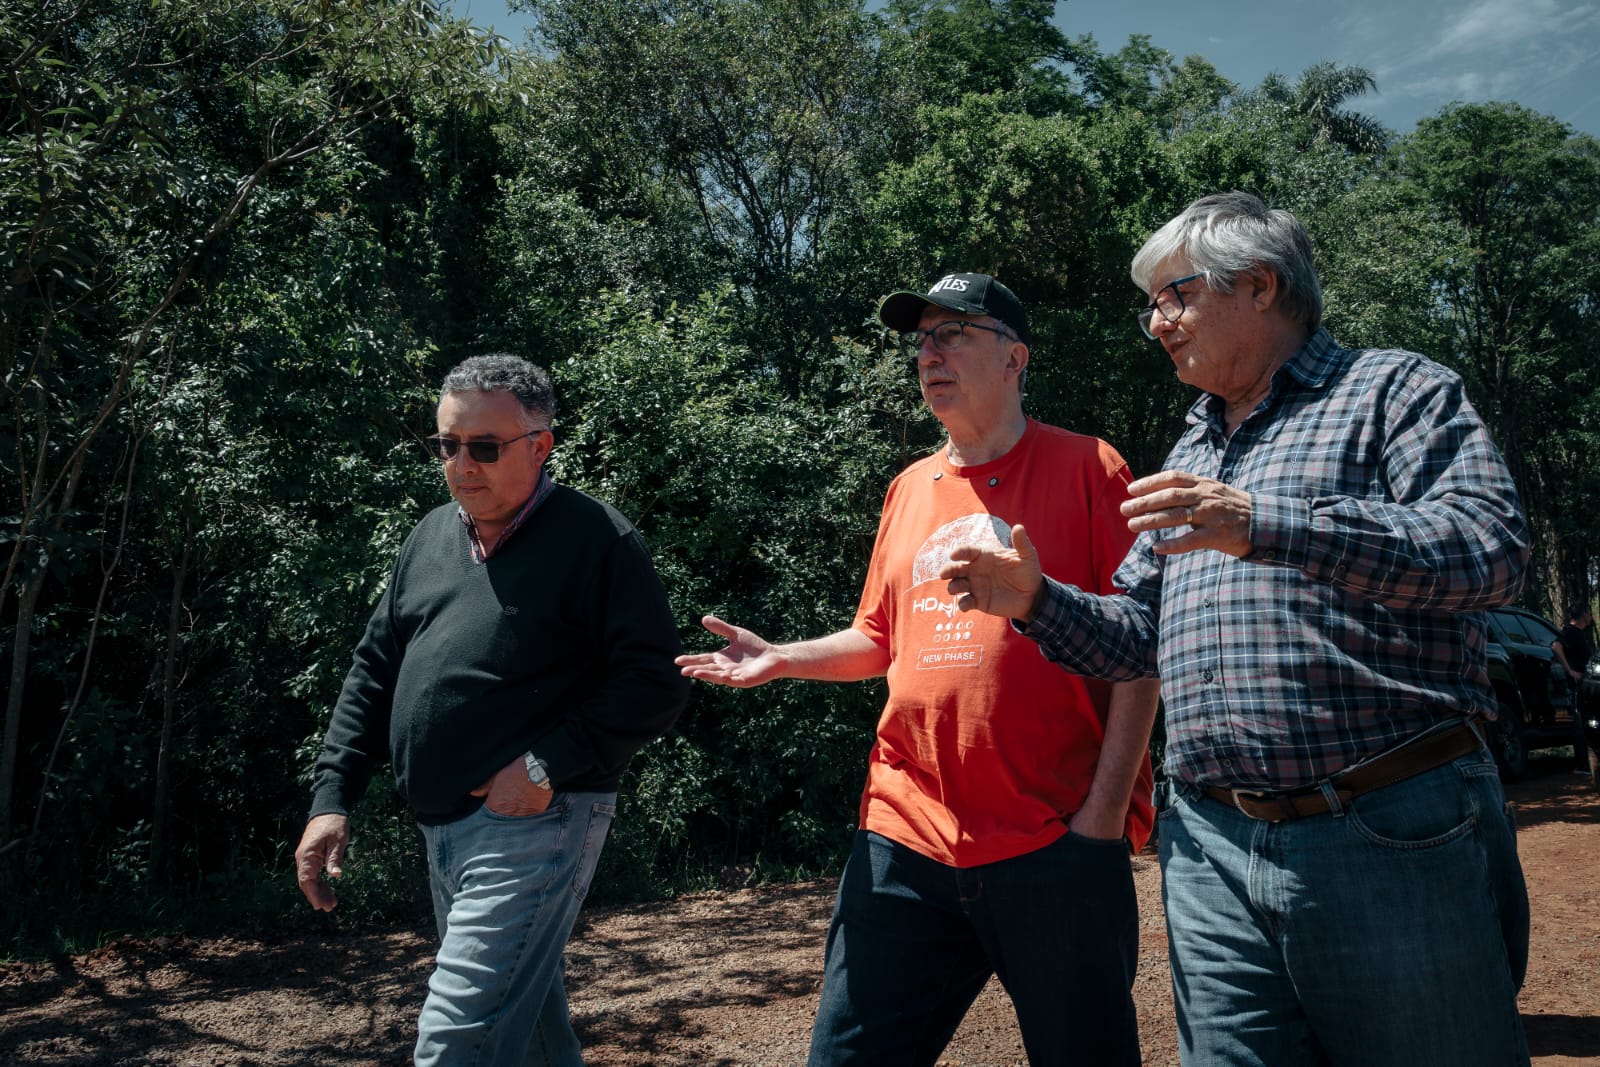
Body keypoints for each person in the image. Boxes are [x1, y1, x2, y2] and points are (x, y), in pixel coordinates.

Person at [939, 193, 1533, 1066]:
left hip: (1380, 830)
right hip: (1210, 846)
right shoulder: (1193, 450)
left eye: (1173, 297)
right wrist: (1038, 600)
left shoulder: (1392, 391)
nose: (1156, 323)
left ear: (1258, 285)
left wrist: (1268, 523)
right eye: (1152, 304)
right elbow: (1140, 634)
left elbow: (1490, 550)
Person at [676, 273, 1161, 1066]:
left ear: (1015, 358)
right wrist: (782, 658)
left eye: (954, 334)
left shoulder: (1089, 467)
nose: (928, 352)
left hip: (1054, 840)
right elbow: (879, 637)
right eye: (922, 339)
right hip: (906, 832)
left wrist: (1101, 821)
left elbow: (1143, 651)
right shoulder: (908, 488)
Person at [294, 354, 689, 1066]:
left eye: (484, 446)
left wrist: (544, 764)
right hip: (443, 831)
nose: (461, 464)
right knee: (531, 1037)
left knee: (457, 1043)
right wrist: (332, 796)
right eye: (447, 444)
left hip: (537, 819)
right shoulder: (430, 537)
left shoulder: (597, 539)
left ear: (541, 445)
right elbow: (374, 669)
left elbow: (654, 682)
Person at [1553, 602, 1594, 773]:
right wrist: (1570, 670)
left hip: (1584, 683)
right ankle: (1583, 764)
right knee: (1579, 722)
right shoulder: (1569, 631)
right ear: (1584, 614)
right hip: (1574, 685)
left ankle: (1587, 762)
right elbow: (1555, 646)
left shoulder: (1579, 633)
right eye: (1589, 612)